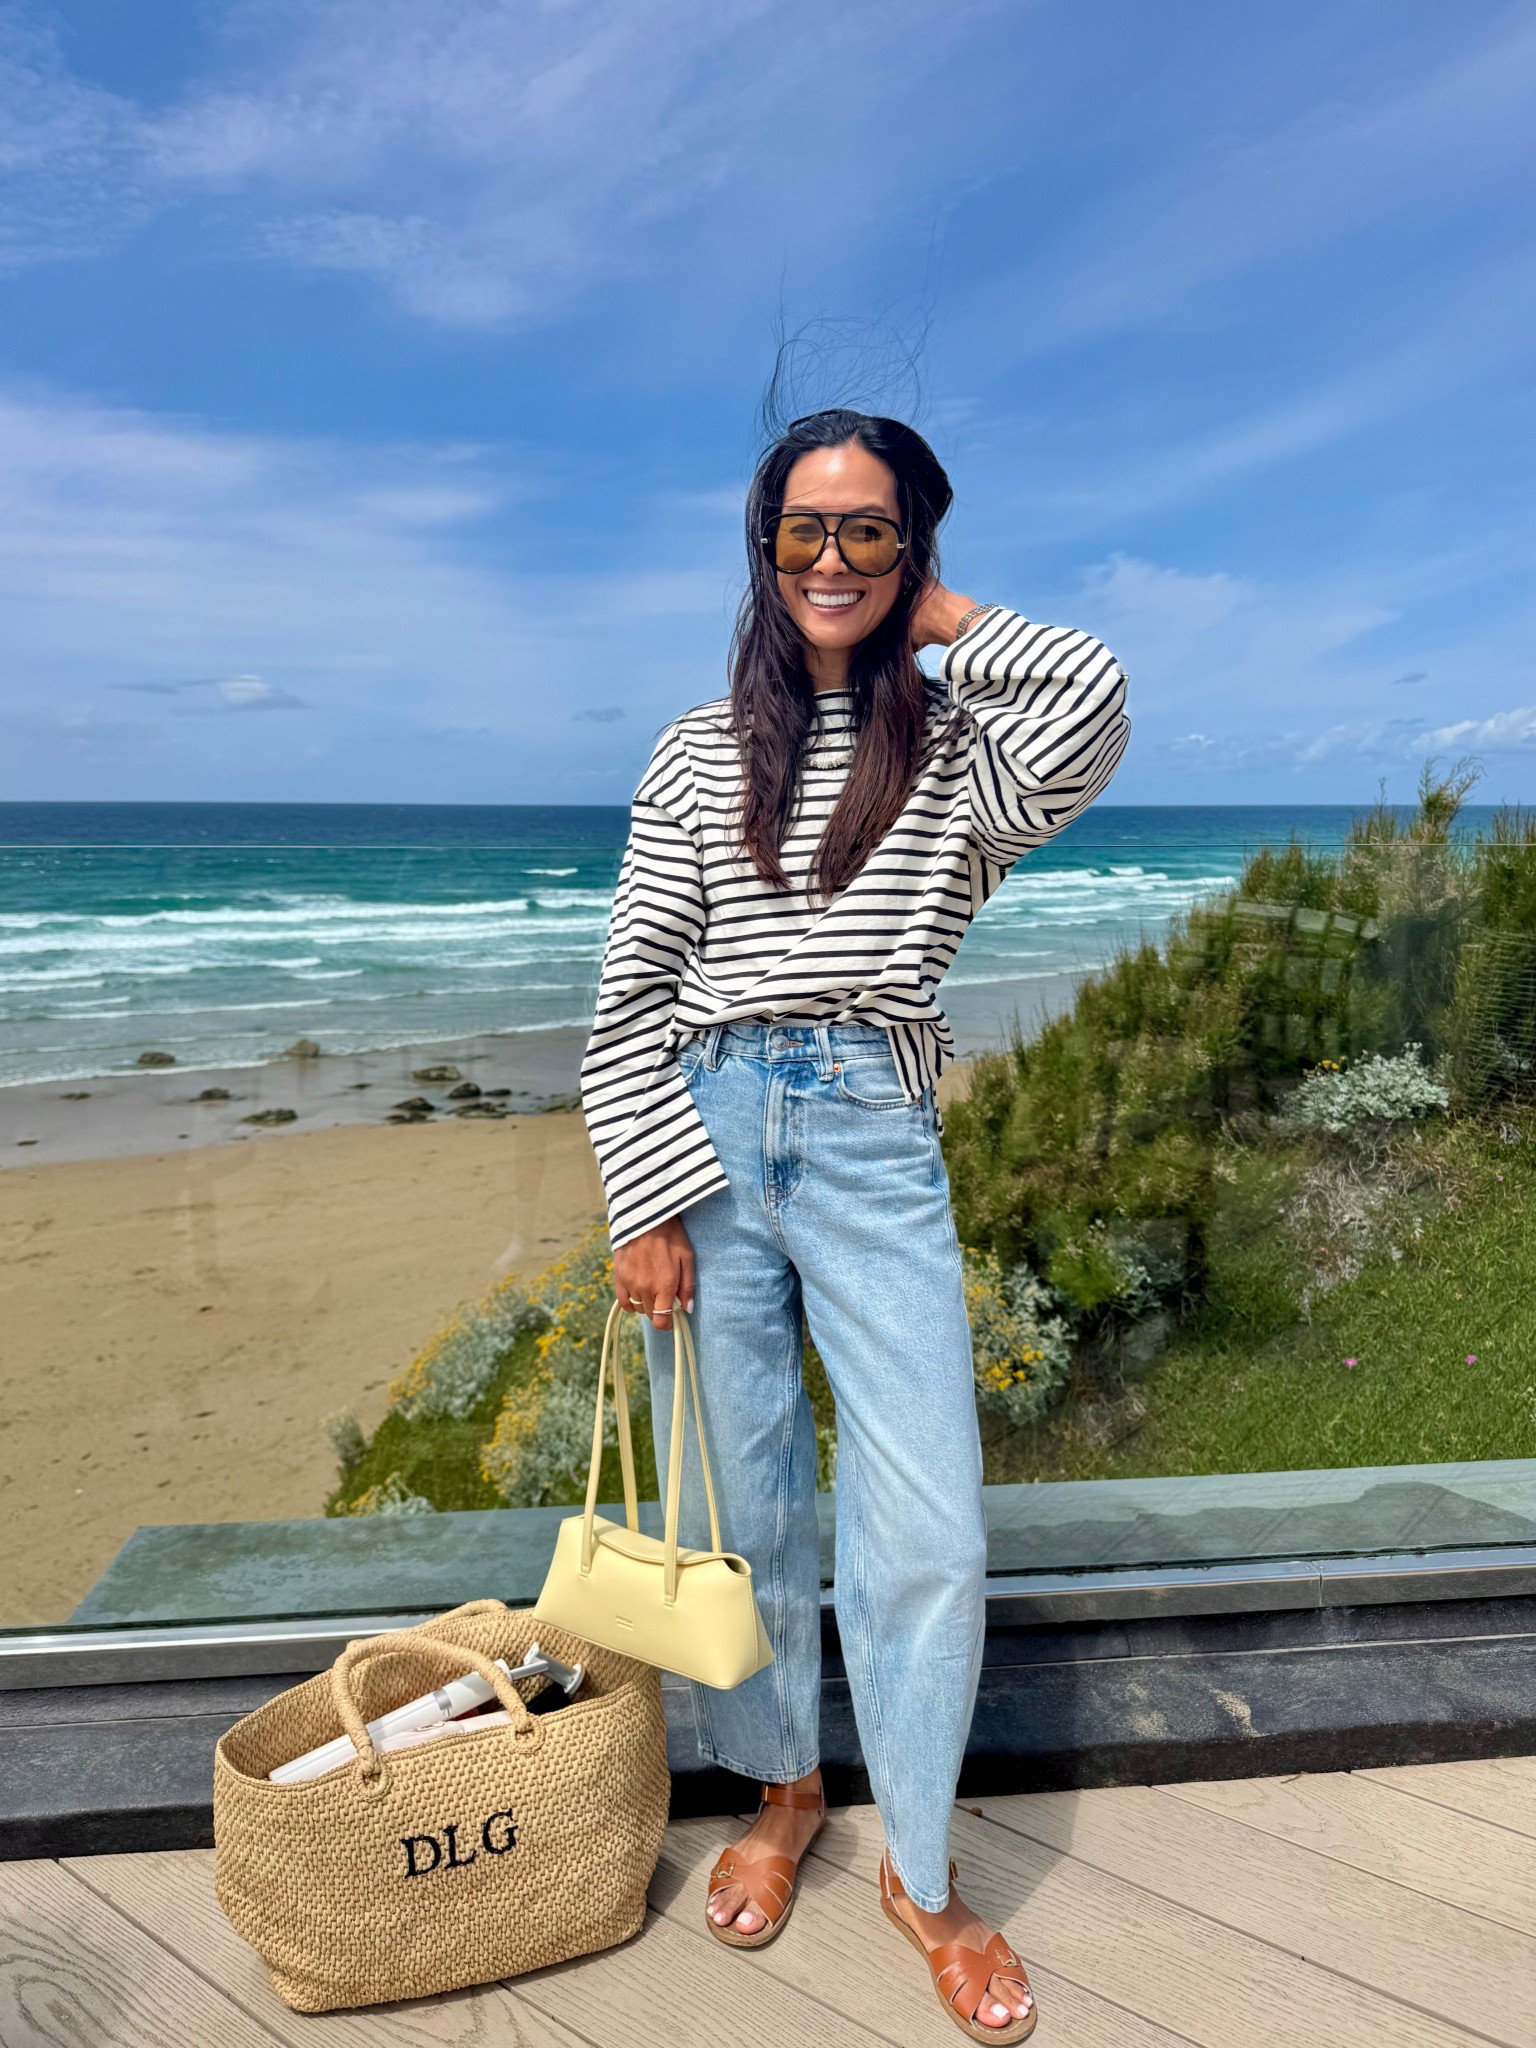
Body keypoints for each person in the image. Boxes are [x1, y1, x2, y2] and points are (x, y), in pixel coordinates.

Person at [579, 406, 1129, 2040]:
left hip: (877, 1130)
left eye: (869, 531)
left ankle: (926, 1871)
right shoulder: (694, 748)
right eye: (802, 532)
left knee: (930, 1527)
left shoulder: (966, 754)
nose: (831, 558)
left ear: (915, 548)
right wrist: (647, 1199)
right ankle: (783, 1792)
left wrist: (937, 621)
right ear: (760, 553)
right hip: (712, 1131)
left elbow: (1092, 694)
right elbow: (627, 998)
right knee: (751, 1499)